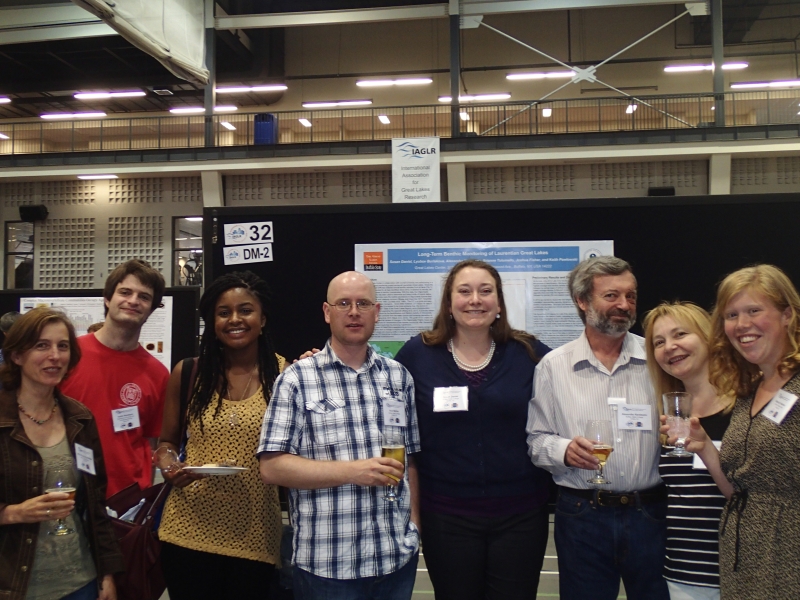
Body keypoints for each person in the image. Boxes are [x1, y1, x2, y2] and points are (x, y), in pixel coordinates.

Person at [393, 259, 552, 600]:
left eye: (485, 291)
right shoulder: (418, 354)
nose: (475, 300)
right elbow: (376, 385)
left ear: (499, 303)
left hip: (521, 516)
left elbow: (572, 378)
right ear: (449, 303)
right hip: (447, 517)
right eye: (464, 291)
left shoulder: (528, 352)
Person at [258, 271, 420, 600]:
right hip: (328, 567)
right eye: (343, 303)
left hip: (395, 559)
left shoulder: (398, 377)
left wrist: (414, 527)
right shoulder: (296, 380)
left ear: (377, 311)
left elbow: (411, 458)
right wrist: (353, 471)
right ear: (327, 312)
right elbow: (271, 467)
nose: (354, 311)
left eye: (363, 303)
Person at [526, 255, 668, 600]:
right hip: (582, 515)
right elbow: (536, 440)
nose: (624, 304)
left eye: (630, 296)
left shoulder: (659, 359)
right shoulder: (553, 367)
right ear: (582, 301)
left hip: (650, 512)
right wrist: (563, 451)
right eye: (611, 296)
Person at [670, 264, 800, 598]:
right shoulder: (749, 391)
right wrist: (706, 449)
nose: (742, 325)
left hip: (789, 555)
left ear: (787, 314)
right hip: (743, 556)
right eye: (731, 315)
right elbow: (739, 491)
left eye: (754, 311)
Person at [156, 271, 284, 600]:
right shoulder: (188, 373)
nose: (234, 319)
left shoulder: (286, 375)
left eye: (245, 310)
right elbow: (166, 443)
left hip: (255, 533)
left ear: (263, 318)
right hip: (186, 529)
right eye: (223, 312)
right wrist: (170, 466)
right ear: (212, 322)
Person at [0, 308, 124, 600]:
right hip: (13, 584)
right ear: (17, 356)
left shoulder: (79, 419)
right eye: (41, 345)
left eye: (63, 346)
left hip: (79, 581)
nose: (54, 356)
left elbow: (95, 504)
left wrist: (107, 574)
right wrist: (14, 513)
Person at [643, 302, 734, 600]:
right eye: (659, 342)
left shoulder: (747, 406)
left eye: (680, 334)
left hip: (740, 571)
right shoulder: (670, 415)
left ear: (708, 337)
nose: (670, 347)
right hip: (683, 575)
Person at [60, 259, 169, 497]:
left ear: (151, 308)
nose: (133, 301)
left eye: (144, 297)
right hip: (68, 494)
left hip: (127, 503)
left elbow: (149, 443)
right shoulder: (68, 356)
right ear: (107, 299)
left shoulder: (159, 375)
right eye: (125, 292)